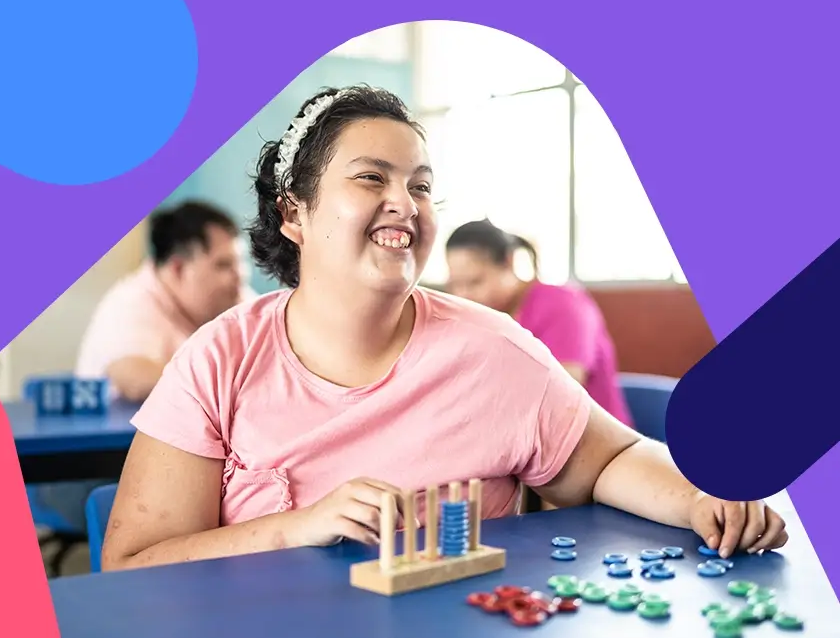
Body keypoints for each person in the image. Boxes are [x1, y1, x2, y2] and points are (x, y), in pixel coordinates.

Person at [100, 85, 787, 572]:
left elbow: (607, 458)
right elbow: (131, 562)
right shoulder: (216, 360)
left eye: (421, 185)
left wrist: (704, 495)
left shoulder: (494, 350)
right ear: (293, 212)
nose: (405, 202)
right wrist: (296, 528)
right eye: (372, 176)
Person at [444, 221, 634, 428]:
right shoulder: (484, 317)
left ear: (508, 263)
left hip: (592, 442)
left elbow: (563, 393)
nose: (462, 294)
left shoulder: (563, 305)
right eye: (455, 284)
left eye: (474, 282)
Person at [75, 200, 248, 403]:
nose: (240, 276)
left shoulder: (235, 297)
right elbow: (131, 376)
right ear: (177, 268)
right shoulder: (130, 302)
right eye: (223, 265)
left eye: (240, 262)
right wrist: (228, 384)